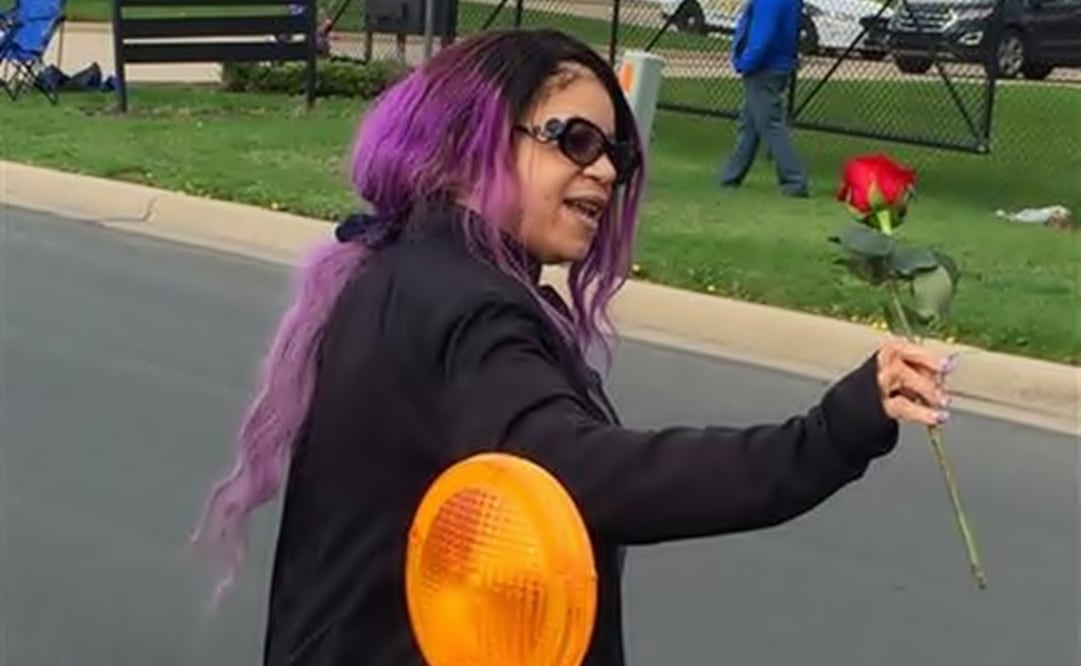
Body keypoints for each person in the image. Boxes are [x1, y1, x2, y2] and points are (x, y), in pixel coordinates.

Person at [192, 28, 952, 666]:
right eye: (574, 139)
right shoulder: (469, 304)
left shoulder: (398, 268)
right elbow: (582, 475)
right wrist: (831, 431)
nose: (605, 169)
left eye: (616, 152)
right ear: (469, 140)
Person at [719, 0, 810, 197]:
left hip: (764, 68)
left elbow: (763, 35)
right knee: (750, 123)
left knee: (771, 125)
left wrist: (746, 62)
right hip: (777, 66)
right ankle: (730, 176)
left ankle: (794, 180)